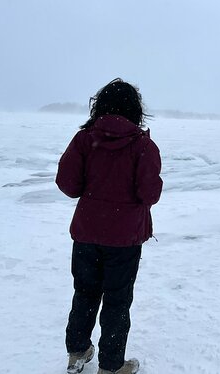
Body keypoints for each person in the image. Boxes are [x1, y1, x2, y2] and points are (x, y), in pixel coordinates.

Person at [56, 78, 163, 374]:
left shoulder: (84, 139)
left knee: (85, 292)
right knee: (117, 302)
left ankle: (77, 353)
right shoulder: (142, 145)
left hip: (87, 233)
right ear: (135, 110)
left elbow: (68, 184)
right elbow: (150, 194)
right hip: (124, 239)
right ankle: (111, 367)